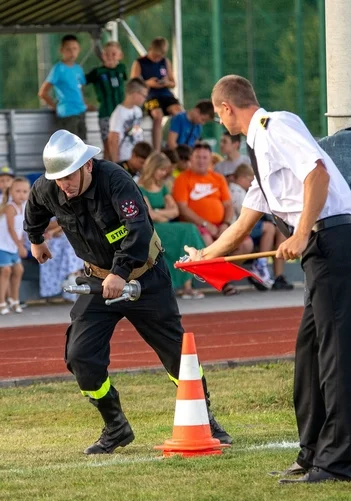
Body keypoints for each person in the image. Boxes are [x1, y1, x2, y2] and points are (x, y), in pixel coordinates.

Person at [184, 75, 351, 483]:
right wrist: (203, 257)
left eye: (218, 114)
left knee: (334, 358)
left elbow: (317, 174)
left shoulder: (275, 127)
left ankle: (336, 463)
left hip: (334, 242)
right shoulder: (260, 148)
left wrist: (301, 232)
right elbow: (242, 224)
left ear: (227, 108)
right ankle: (311, 454)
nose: (219, 122)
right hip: (321, 251)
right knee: (308, 357)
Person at [24, 130, 231, 455]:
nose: (65, 184)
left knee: (177, 354)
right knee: (80, 357)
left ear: (87, 165)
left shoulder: (115, 180)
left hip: (144, 275)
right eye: (59, 178)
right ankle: (115, 426)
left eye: (69, 175)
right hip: (97, 280)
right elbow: (35, 207)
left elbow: (138, 230)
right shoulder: (49, 187)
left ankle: (206, 421)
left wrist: (121, 273)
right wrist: (35, 238)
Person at [173, 142, 253, 296]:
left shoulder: (218, 178)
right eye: (198, 157)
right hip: (197, 226)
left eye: (205, 157)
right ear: (191, 158)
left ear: (210, 159)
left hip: (221, 225)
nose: (201, 161)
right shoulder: (183, 179)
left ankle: (219, 274)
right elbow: (183, 208)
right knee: (210, 243)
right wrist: (205, 223)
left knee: (246, 244)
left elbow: (228, 205)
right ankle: (224, 282)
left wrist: (226, 223)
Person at [139, 152, 205, 299]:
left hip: (165, 226)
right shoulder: (140, 187)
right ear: (152, 168)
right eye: (161, 170)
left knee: (188, 231)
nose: (163, 173)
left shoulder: (163, 188)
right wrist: (162, 213)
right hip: (151, 229)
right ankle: (189, 282)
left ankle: (188, 284)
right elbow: (149, 215)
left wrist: (158, 212)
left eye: (165, 170)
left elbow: (175, 211)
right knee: (187, 230)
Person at [230, 164, 294, 291]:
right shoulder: (236, 190)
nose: (250, 184)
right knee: (269, 228)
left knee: (280, 231)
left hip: (246, 228)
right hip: (236, 229)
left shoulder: (242, 191)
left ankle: (278, 276)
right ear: (241, 178)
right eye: (249, 180)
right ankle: (260, 265)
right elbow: (245, 217)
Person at [130, 37, 184, 150]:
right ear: (150, 49)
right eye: (155, 56)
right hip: (149, 96)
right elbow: (133, 83)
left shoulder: (165, 61)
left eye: (159, 56)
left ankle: (177, 145)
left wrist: (165, 82)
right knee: (157, 115)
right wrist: (148, 83)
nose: (157, 59)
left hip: (165, 94)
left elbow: (173, 83)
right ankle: (157, 149)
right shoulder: (140, 62)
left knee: (180, 114)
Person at [38, 34, 87, 140]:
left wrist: (85, 104)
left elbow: (81, 89)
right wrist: (56, 107)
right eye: (68, 49)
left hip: (81, 112)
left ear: (79, 50)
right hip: (67, 114)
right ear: (62, 50)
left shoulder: (78, 69)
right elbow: (43, 92)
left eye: (75, 49)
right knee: (70, 147)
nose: (72, 52)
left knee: (83, 146)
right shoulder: (58, 69)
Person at [85, 41, 128, 160]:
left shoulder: (121, 69)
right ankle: (107, 174)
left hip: (121, 115)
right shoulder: (97, 72)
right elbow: (80, 83)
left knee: (121, 145)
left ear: (120, 55)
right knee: (109, 147)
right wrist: (85, 103)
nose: (110, 57)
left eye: (113, 54)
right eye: (107, 54)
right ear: (102, 56)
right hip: (106, 114)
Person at [0, 177, 30, 315]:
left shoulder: (24, 207)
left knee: (18, 270)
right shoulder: (9, 207)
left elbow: (23, 228)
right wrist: (20, 246)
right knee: (6, 271)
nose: (21, 194)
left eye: (24, 191)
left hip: (12, 246)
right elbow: (11, 229)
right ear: (11, 192)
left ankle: (14, 299)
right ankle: (2, 302)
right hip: (3, 245)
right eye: (18, 191)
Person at [39, 218, 84, 303]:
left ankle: (73, 283)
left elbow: (67, 221)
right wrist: (56, 226)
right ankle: (67, 284)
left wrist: (56, 228)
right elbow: (42, 224)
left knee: (72, 251)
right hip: (50, 240)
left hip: (66, 238)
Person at [108, 78, 148, 163]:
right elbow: (113, 140)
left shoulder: (138, 111)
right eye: (144, 95)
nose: (145, 99)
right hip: (124, 159)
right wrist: (117, 163)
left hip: (137, 157)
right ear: (135, 94)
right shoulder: (119, 113)